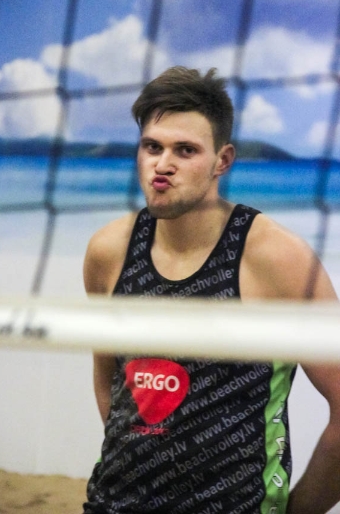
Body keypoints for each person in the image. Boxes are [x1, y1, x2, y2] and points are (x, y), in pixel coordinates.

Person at [82, 66, 340, 514]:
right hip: (114, 503)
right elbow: (111, 381)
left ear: (222, 160)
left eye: (185, 150)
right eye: (152, 147)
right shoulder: (108, 251)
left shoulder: (278, 259)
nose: (163, 164)